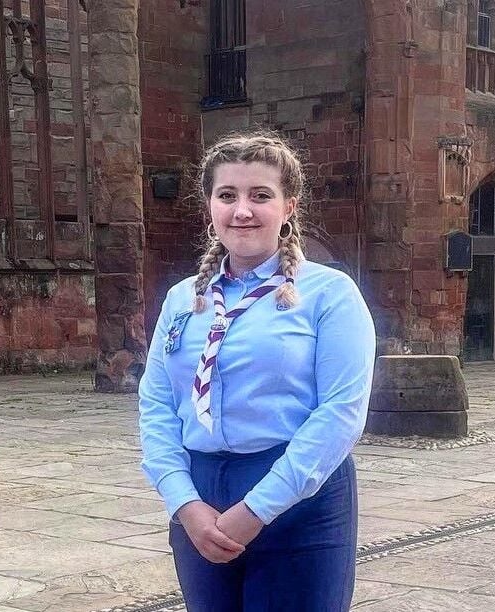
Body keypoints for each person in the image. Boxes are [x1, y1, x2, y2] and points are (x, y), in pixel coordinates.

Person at [138, 133, 377, 611]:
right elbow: (158, 402)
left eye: (260, 195)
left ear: (289, 207)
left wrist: (256, 509)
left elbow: (341, 413)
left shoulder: (328, 294)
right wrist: (184, 502)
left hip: (297, 496)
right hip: (200, 497)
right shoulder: (184, 298)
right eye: (227, 195)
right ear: (210, 206)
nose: (241, 210)